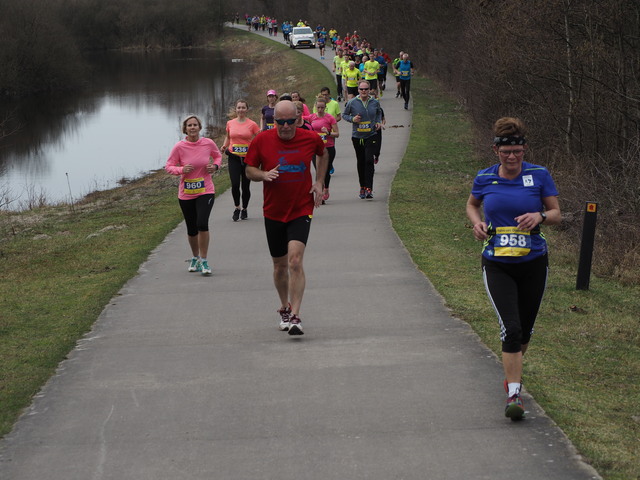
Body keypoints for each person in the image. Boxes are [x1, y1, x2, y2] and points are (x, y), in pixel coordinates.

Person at [466, 117, 561, 421]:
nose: (512, 157)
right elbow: (472, 205)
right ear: (496, 150)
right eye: (506, 152)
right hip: (497, 263)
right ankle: (514, 394)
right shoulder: (485, 178)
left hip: (533, 262)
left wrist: (540, 217)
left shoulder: (539, 175)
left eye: (517, 152)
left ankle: (512, 376)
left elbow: (556, 212)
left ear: (524, 150)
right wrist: (477, 222)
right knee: (512, 327)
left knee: (525, 331)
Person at [245, 101, 329, 336]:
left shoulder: (309, 138)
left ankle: (296, 315)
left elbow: (324, 154)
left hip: (301, 208)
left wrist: (319, 181)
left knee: (294, 261)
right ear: (273, 122)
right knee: (280, 266)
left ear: (298, 120)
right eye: (279, 122)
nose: (284, 126)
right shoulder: (262, 140)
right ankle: (284, 306)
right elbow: (249, 169)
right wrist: (263, 174)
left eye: (289, 122)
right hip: (273, 211)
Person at [165, 114, 222, 275]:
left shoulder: (208, 143)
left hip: (206, 190)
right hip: (186, 193)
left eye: (195, 125)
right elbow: (169, 166)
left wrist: (215, 167)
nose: (192, 128)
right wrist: (181, 170)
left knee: (202, 223)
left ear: (199, 127)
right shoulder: (179, 147)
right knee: (191, 229)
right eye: (189, 125)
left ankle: (204, 260)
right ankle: (195, 257)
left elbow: (218, 156)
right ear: (185, 129)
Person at [220, 99, 260, 221]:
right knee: (235, 184)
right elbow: (228, 137)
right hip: (233, 157)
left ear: (247, 110)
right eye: (239, 107)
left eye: (243, 107)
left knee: (246, 186)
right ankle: (237, 207)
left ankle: (245, 209)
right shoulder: (230, 123)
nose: (241, 110)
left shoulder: (252, 124)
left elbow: (259, 139)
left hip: (247, 159)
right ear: (236, 109)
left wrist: (256, 151)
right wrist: (224, 146)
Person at [342, 80, 382, 199]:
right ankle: (362, 186)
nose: (364, 91)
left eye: (366, 89)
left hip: (371, 135)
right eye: (361, 89)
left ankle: (369, 188)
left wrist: (378, 122)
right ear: (358, 90)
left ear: (369, 90)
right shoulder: (352, 102)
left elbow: (379, 113)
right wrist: (353, 119)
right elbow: (345, 115)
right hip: (357, 137)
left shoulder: (374, 102)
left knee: (369, 160)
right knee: (361, 161)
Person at [306, 95, 339, 203]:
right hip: (315, 149)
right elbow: (300, 121)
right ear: (315, 106)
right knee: (318, 171)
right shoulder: (311, 117)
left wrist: (328, 133)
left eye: (322, 108)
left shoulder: (330, 118)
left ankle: (326, 188)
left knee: (326, 170)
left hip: (328, 148)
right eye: (318, 107)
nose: (320, 110)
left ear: (325, 107)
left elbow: (337, 134)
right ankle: (320, 193)